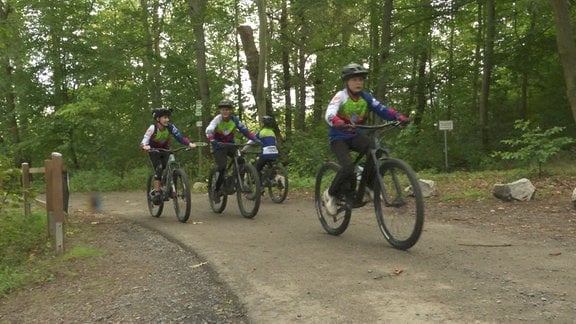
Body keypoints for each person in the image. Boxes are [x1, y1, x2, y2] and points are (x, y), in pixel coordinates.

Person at [323, 63, 410, 215]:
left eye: (361, 80)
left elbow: (381, 109)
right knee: (348, 167)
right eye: (355, 80)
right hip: (339, 137)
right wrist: (336, 121)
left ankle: (369, 187)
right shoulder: (341, 96)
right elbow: (330, 113)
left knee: (375, 150)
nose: (358, 83)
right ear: (347, 82)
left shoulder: (366, 97)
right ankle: (330, 194)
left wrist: (397, 116)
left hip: (355, 135)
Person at [205, 99, 260, 203]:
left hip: (231, 145)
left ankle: (237, 181)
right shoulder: (217, 119)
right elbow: (209, 130)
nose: (225, 112)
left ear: (230, 111)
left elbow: (245, 131)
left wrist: (255, 139)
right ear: (220, 111)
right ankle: (216, 190)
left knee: (241, 160)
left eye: (227, 110)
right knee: (222, 167)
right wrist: (212, 139)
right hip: (219, 146)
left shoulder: (234, 120)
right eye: (223, 110)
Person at [140, 108, 197, 204]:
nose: (167, 120)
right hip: (153, 150)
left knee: (169, 166)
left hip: (166, 149)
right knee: (159, 168)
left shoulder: (170, 127)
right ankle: (157, 192)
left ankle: (170, 187)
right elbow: (144, 140)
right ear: (158, 119)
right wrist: (145, 146)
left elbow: (179, 136)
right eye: (165, 118)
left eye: (168, 118)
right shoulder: (152, 128)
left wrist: (189, 144)